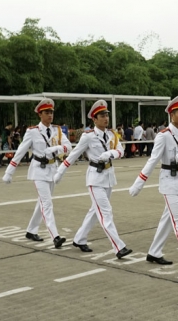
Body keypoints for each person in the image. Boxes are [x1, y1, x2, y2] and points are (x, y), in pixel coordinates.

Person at [129, 95, 178, 275]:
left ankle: (154, 252)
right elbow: (152, 160)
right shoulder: (164, 136)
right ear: (172, 114)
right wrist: (139, 183)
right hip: (168, 182)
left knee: (167, 220)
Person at [55, 100, 131, 259]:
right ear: (94, 119)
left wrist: (111, 154)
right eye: (102, 116)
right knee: (106, 212)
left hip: (109, 177)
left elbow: (120, 151)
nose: (106, 118)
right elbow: (74, 154)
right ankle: (119, 247)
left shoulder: (111, 134)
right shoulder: (88, 136)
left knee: (95, 212)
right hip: (95, 178)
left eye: (107, 115)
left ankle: (79, 238)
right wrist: (60, 171)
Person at [2, 98, 72, 249]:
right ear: (40, 114)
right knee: (47, 203)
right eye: (47, 112)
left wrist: (56, 149)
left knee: (42, 202)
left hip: (52, 169)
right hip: (39, 169)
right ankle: (55, 236)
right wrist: (10, 171)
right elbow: (20, 152)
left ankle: (31, 230)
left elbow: (68, 147)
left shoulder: (57, 130)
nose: (50, 115)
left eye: (51, 112)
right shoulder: (32, 132)